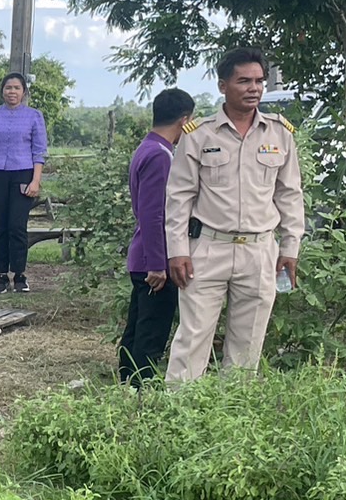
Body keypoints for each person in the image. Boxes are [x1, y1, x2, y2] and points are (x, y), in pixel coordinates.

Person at [164, 47, 306, 382]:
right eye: (244, 81)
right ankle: (178, 415)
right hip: (208, 249)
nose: (254, 88)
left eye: (259, 81)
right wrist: (178, 250)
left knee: (248, 344)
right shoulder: (199, 134)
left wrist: (290, 249)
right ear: (223, 85)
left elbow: (289, 195)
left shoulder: (280, 133)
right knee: (193, 338)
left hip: (260, 251)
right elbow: (178, 197)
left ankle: (234, 415)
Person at [118, 88, 197, 386]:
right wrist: (157, 264)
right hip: (155, 259)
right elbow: (154, 215)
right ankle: (140, 387)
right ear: (185, 121)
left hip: (144, 255)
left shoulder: (147, 147)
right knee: (151, 331)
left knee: (138, 325)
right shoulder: (161, 156)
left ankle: (126, 381)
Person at [0, 71, 48, 293]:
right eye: (8, 88)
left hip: (23, 174)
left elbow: (39, 151)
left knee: (17, 226)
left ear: (24, 91)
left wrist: (36, 180)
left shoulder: (34, 116)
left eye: (16, 88)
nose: (12, 92)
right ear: (2, 91)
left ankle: (20, 274)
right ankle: (1, 275)